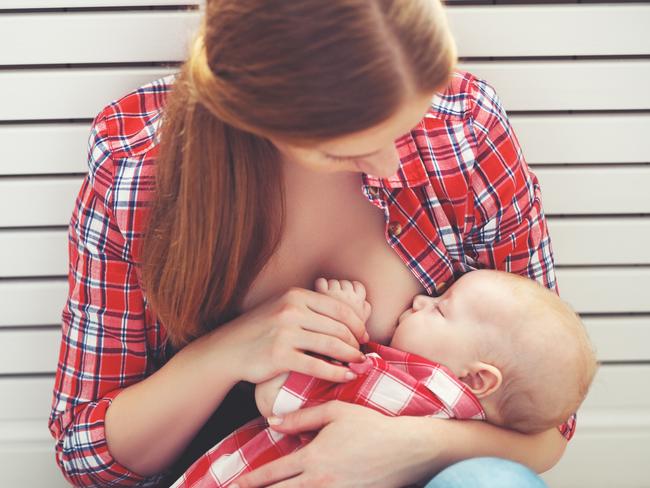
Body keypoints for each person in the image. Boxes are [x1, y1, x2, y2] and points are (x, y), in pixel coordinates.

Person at [47, 1, 578, 486]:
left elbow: (547, 423)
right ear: (258, 119)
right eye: (347, 151)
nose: (392, 166)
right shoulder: (140, 167)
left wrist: (411, 446)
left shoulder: (465, 130)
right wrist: (234, 348)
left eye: (406, 124)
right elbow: (88, 458)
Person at [170, 272, 598, 487]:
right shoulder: (475, 419)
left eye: (440, 309)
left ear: (477, 378)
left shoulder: (411, 388)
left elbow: (277, 397)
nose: (421, 299)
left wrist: (337, 329)